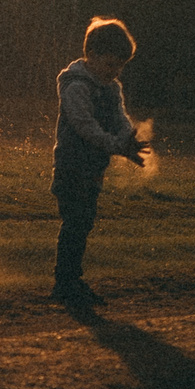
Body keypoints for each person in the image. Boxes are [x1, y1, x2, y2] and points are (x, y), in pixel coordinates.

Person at [51, 17, 148, 305]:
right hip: (71, 166)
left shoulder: (111, 88)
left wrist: (128, 139)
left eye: (120, 66)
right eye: (110, 64)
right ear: (91, 56)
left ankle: (70, 281)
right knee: (75, 223)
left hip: (93, 168)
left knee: (84, 222)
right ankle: (65, 283)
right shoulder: (76, 86)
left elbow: (119, 119)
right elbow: (85, 125)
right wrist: (117, 145)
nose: (115, 72)